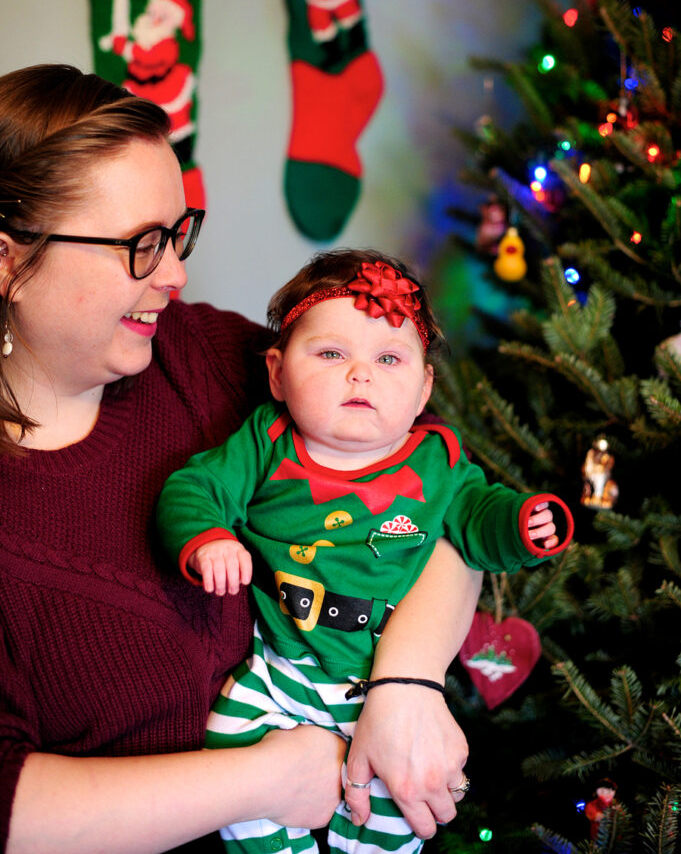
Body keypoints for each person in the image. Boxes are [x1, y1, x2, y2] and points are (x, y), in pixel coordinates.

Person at [0, 64, 482, 854]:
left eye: (179, 233)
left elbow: (445, 495)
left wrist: (406, 683)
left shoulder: (204, 358)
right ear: (9, 261)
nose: (177, 275)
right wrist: (265, 780)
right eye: (140, 247)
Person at [157, 249, 574, 854]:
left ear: (423, 385)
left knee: (392, 807)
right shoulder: (265, 441)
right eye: (331, 354)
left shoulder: (437, 462)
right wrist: (209, 536)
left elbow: (477, 521)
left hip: (372, 686)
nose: (361, 374)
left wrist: (520, 523)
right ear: (277, 373)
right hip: (277, 669)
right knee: (227, 735)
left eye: (388, 358)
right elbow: (194, 488)